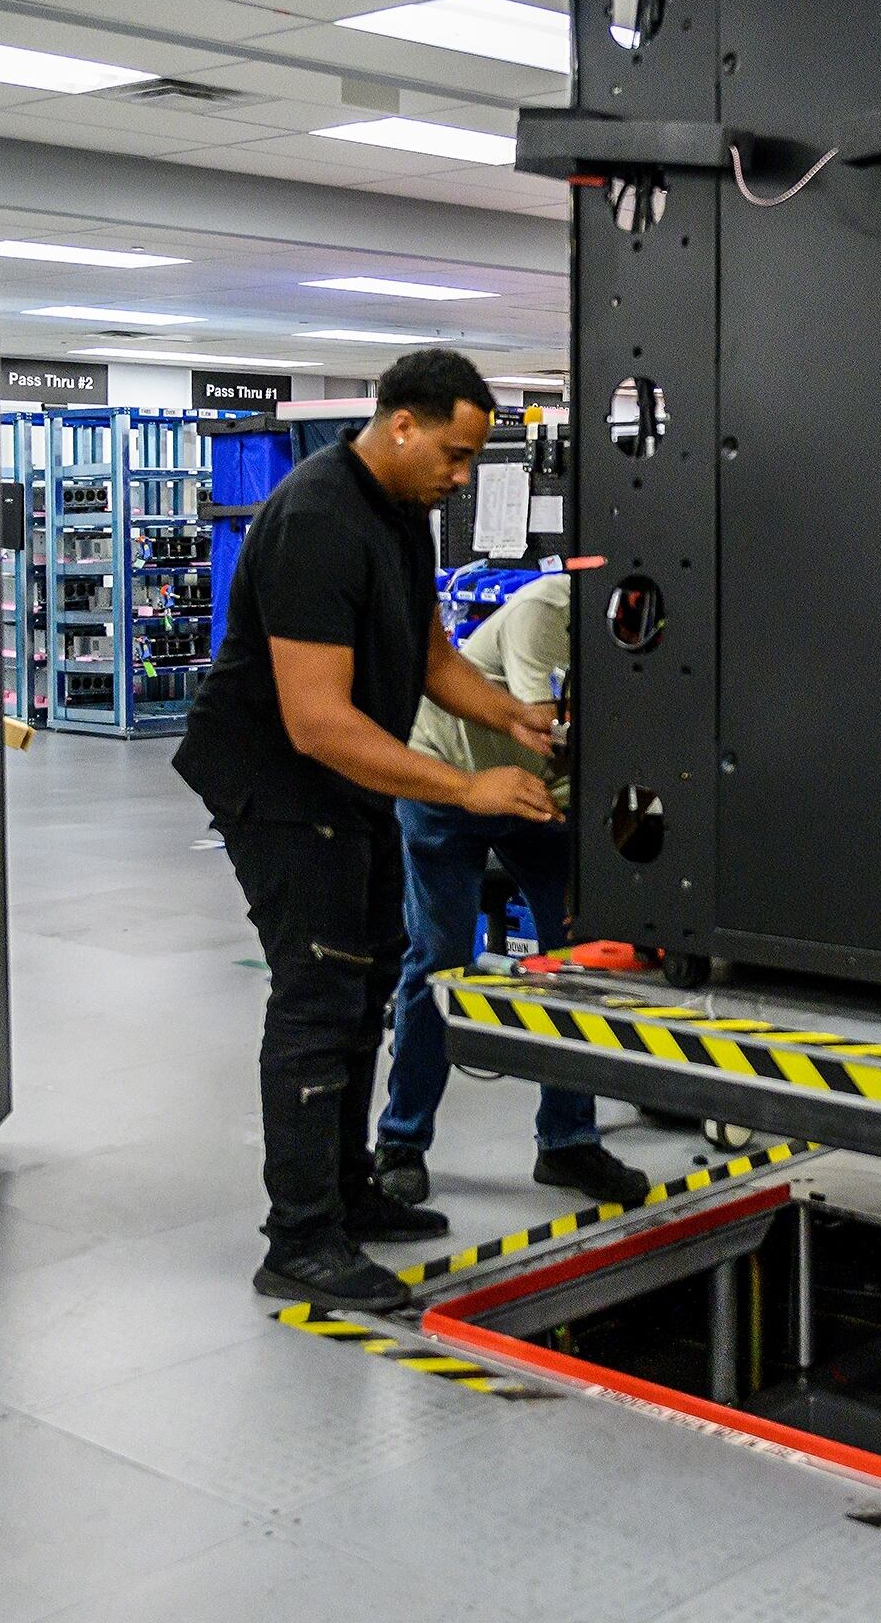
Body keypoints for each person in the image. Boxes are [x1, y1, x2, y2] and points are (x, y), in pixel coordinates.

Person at [177, 350, 562, 1314]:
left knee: (368, 981)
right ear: (402, 424)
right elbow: (317, 721)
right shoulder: (315, 519)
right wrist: (464, 791)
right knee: (316, 994)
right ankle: (300, 1240)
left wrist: (511, 713)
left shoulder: (399, 513)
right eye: (457, 454)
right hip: (281, 784)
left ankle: (349, 1194)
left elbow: (428, 649)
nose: (463, 477)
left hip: (345, 786)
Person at [374, 572, 652, 1210]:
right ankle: (401, 1142)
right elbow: (547, 732)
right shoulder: (543, 612)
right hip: (450, 777)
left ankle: (566, 1140)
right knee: (439, 958)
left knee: (578, 952)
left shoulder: (643, 642)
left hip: (536, 798)